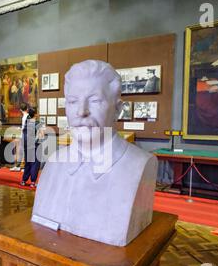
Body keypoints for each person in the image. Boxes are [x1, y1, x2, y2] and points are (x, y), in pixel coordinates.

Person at [31, 60, 158, 247]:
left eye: (95, 100)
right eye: (73, 101)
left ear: (117, 110)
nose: (81, 111)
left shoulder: (139, 165)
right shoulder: (54, 163)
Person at [20, 108, 44, 188]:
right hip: (35, 145)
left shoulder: (27, 123)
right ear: (36, 114)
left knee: (28, 163)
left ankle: (24, 180)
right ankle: (33, 182)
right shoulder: (38, 123)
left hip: (27, 145)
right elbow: (41, 135)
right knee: (35, 164)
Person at [10, 102, 29, 172]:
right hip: (25, 135)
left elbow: (25, 128)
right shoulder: (28, 116)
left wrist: (20, 129)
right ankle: (20, 166)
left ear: (21, 110)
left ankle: (21, 167)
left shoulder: (24, 117)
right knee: (22, 151)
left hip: (24, 136)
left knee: (21, 152)